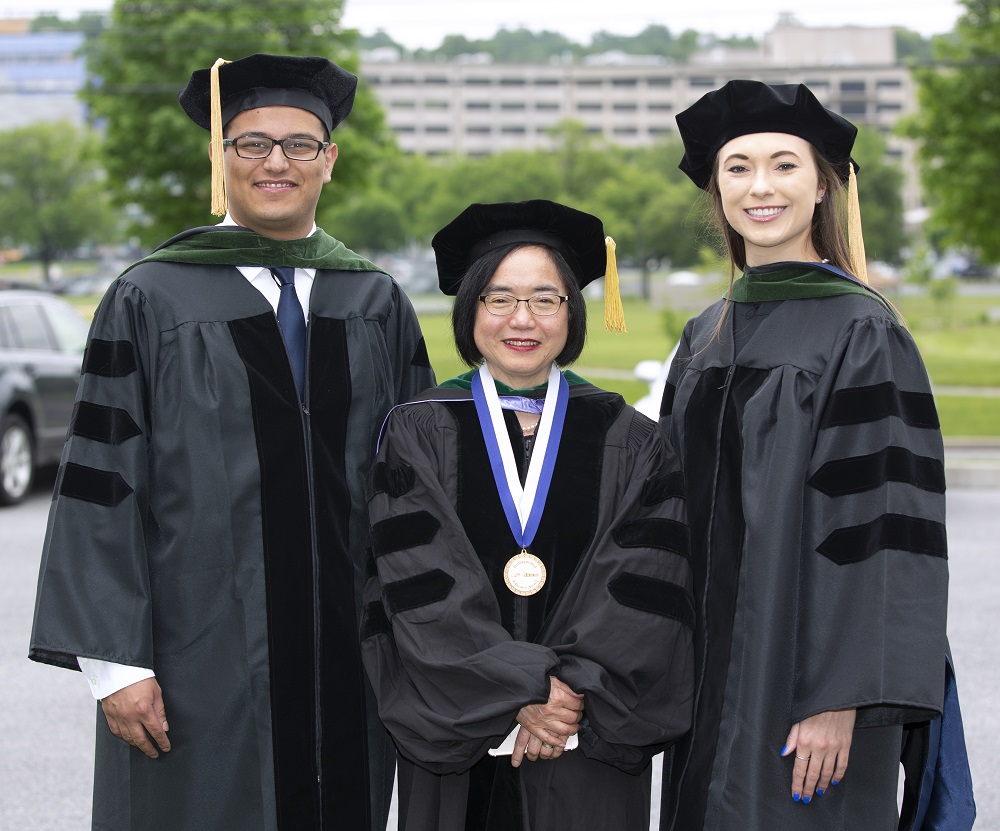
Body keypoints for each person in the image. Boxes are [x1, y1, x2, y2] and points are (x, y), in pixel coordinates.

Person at [29, 53, 434, 831]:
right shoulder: (150, 295)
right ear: (219, 158)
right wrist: (116, 666)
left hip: (348, 664)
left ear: (329, 161)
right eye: (251, 143)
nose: (276, 161)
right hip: (195, 660)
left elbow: (421, 491)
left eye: (299, 144)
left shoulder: (375, 301)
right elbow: (101, 482)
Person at [657, 80, 969, 830]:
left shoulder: (862, 331)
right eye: (737, 167)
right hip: (705, 689)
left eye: (783, 165)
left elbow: (887, 534)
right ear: (717, 188)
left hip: (805, 695)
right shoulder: (704, 336)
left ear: (823, 184)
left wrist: (843, 695)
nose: (759, 186)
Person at [360, 199, 695, 831]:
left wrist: (569, 699)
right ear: (470, 311)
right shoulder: (419, 430)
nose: (522, 319)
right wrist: (524, 691)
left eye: (546, 299)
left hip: (585, 733)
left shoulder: (630, 436)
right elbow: (416, 581)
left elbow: (646, 582)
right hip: (459, 727)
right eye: (498, 298)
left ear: (573, 312)